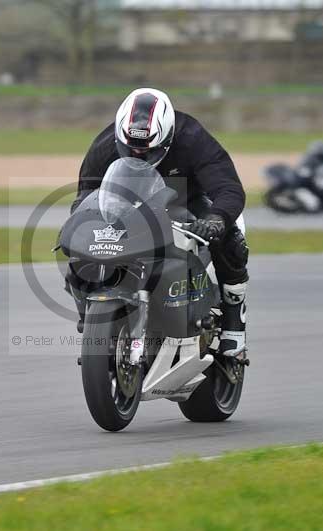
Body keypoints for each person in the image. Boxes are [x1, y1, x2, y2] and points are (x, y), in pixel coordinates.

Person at [68, 88, 249, 358]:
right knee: (81, 244)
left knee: (228, 235)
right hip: (129, 205)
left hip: (186, 202)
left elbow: (229, 189)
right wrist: (81, 224)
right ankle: (90, 311)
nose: (139, 154)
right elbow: (85, 195)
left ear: (167, 137)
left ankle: (234, 318)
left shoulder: (193, 138)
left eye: (147, 149)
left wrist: (214, 220)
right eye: (132, 148)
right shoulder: (106, 144)